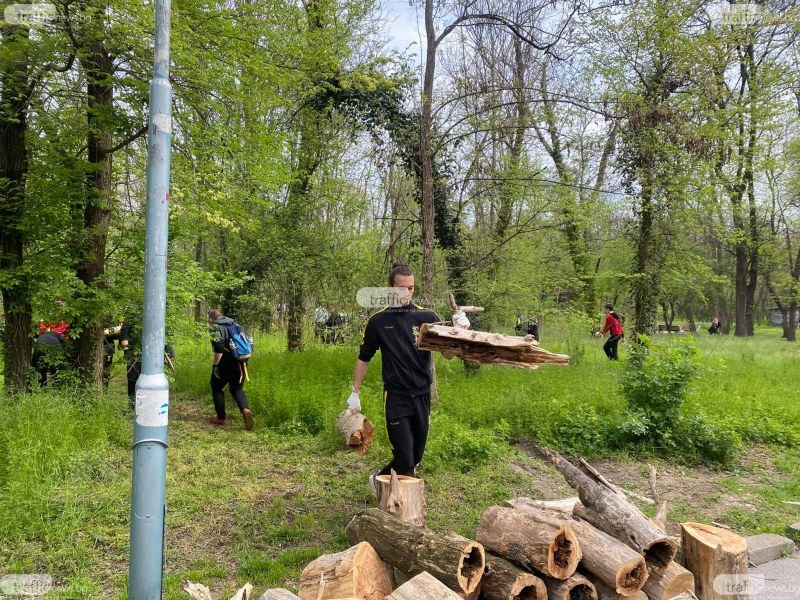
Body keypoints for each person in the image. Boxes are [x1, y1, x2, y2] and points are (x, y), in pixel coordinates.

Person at [349, 261, 468, 490]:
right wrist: (355, 391)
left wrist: (459, 332)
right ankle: (398, 506)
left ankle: (378, 479)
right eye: (401, 288)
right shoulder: (378, 322)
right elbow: (364, 357)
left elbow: (448, 354)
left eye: (411, 288)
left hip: (422, 395)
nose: (406, 293)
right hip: (396, 397)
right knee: (405, 459)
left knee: (415, 457)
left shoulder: (427, 317)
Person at [208, 309, 254, 430]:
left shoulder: (215, 327)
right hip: (242, 361)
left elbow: (219, 349)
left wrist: (215, 366)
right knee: (237, 389)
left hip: (226, 361)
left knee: (216, 387)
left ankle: (221, 418)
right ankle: (245, 410)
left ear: (211, 319)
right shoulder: (234, 324)